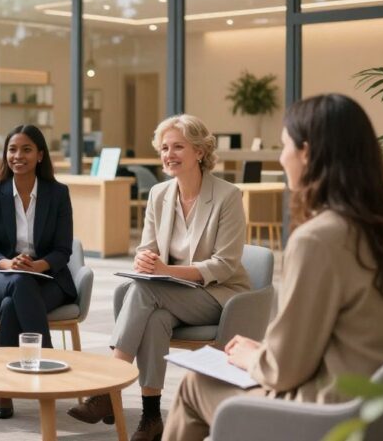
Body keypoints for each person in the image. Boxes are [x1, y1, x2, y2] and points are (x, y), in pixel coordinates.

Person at [162, 94, 383, 441]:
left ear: (306, 153)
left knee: (193, 386)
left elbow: (283, 371)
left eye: (285, 145)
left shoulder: (319, 238)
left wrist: (252, 355)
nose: (281, 156)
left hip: (335, 414)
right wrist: (266, 354)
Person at [69, 114, 251, 441]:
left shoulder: (227, 196)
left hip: (218, 295)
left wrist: (166, 271)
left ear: (200, 151)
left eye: (178, 146)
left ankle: (109, 387)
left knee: (139, 292)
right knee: (154, 319)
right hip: (170, 293)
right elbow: (148, 247)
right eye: (164, 148)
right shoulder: (159, 194)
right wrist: (144, 258)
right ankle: (151, 417)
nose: (169, 154)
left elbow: (224, 265)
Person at [0, 124, 76, 419]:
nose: (18, 155)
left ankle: (4, 392)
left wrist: (37, 265)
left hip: (48, 278)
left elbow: (62, 250)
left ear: (41, 155)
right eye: (12, 149)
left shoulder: (57, 194)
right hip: (2, 276)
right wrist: (11, 264)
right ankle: (50, 363)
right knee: (18, 283)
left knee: (12, 306)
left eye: (26, 149)